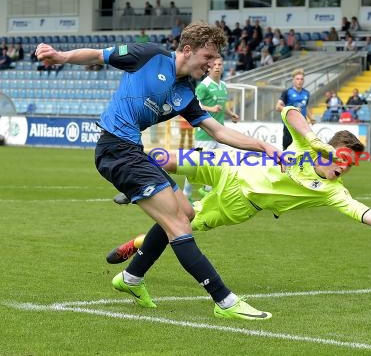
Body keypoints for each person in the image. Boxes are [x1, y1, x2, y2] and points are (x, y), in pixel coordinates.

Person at [35, 22, 281, 320]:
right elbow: (98, 55)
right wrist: (60, 56)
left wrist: (263, 147)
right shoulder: (149, 55)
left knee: (186, 211)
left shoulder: (185, 92)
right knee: (179, 224)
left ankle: (131, 278)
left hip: (132, 152)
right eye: (207, 57)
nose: (211, 64)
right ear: (188, 50)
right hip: (116, 150)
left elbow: (218, 131)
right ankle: (225, 301)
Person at [107, 107, 371, 271]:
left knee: (183, 226)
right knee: (164, 158)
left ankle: (135, 244)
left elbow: (360, 210)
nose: (345, 168)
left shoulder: (333, 191)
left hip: (241, 204)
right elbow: (288, 112)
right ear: (331, 151)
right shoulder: (308, 146)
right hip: (231, 166)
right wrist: (315, 139)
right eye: (343, 160)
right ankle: (134, 181)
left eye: (351, 165)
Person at [183, 56, 239, 199]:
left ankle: (208, 190)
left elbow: (223, 105)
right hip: (205, 133)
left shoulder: (223, 85)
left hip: (220, 133)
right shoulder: (204, 85)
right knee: (196, 165)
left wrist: (231, 114)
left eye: (220, 64)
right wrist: (211, 108)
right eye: (214, 64)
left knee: (222, 163)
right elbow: (194, 105)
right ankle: (186, 193)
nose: (217, 67)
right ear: (209, 67)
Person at [276, 68, 314, 150]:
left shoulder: (306, 93)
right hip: (289, 124)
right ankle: (286, 162)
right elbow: (278, 107)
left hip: (302, 124)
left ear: (304, 81)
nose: (299, 81)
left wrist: (311, 118)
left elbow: (305, 107)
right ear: (293, 80)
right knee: (288, 149)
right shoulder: (287, 92)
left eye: (301, 79)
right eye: (297, 79)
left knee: (303, 148)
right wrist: (292, 109)